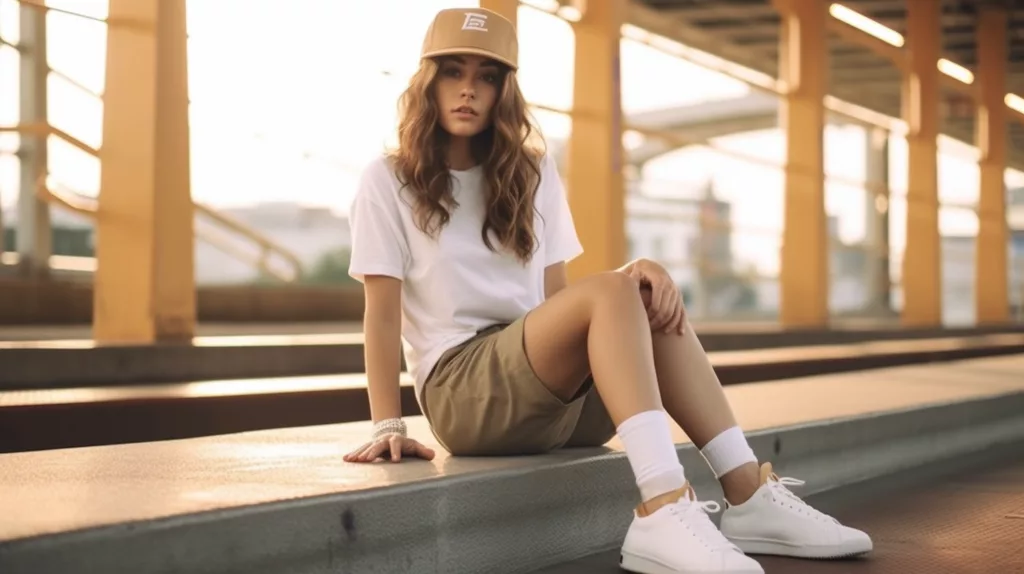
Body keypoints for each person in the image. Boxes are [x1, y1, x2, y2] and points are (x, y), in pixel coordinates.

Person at [344, 7, 872, 574]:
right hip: (464, 391)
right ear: (428, 81)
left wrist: (633, 285)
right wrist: (388, 425)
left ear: (505, 91)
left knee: (641, 293)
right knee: (618, 287)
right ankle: (664, 508)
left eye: (487, 76)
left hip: (543, 391)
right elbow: (381, 313)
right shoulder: (388, 179)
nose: (469, 90)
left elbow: (557, 303)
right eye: (454, 72)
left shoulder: (533, 173)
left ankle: (748, 495)